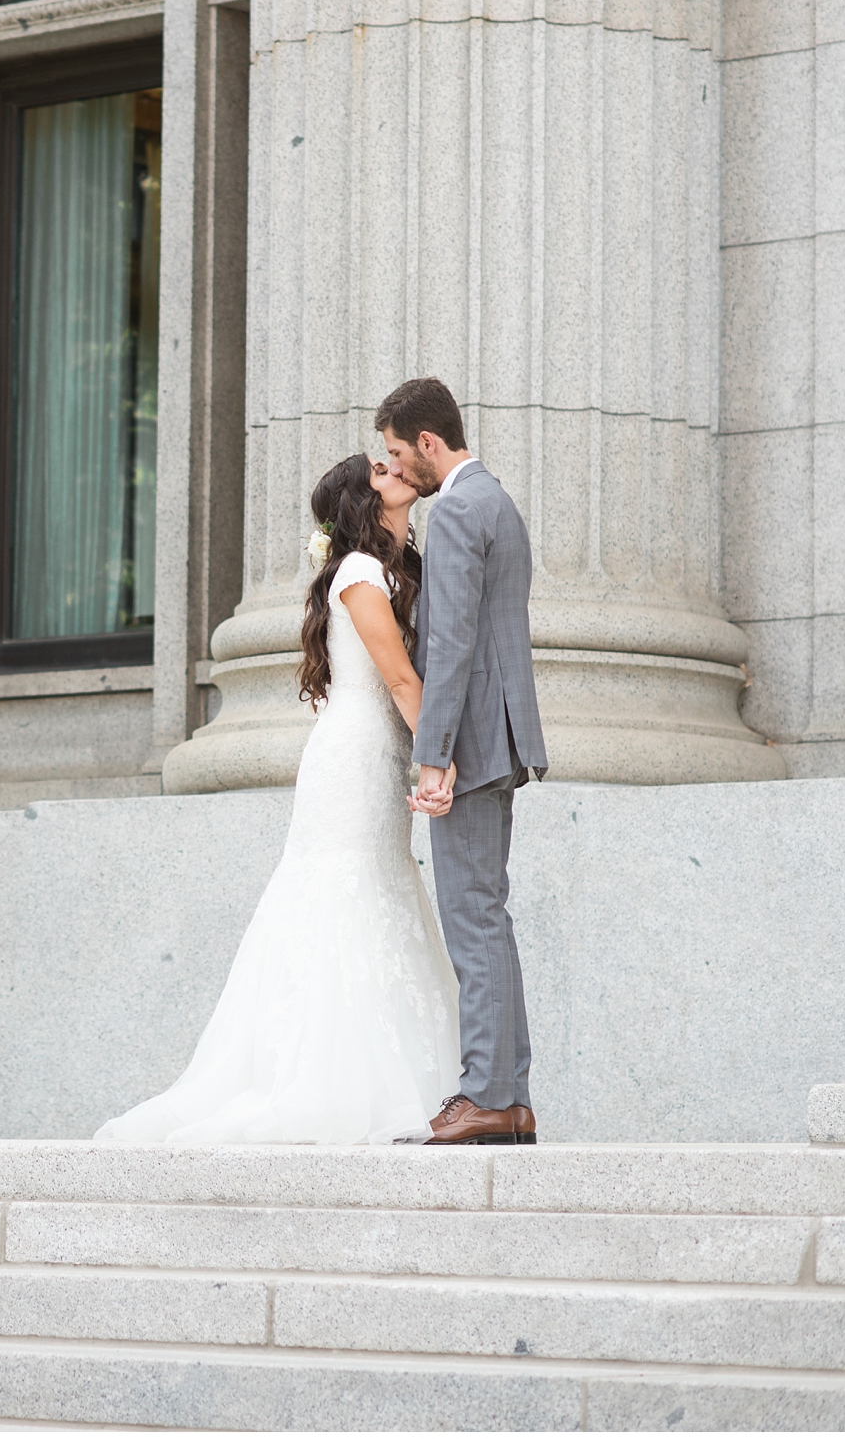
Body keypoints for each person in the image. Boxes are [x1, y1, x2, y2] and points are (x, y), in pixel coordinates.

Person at [95, 452, 460, 1145]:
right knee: (344, 892)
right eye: (379, 471)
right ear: (362, 500)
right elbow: (402, 680)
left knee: (381, 889)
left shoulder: (391, 569)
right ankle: (329, 1081)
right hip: (354, 755)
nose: (395, 471)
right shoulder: (358, 574)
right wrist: (437, 761)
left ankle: (404, 1078)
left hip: (372, 749)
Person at [377, 376, 546, 1146]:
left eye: (397, 453)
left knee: (471, 919)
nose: (398, 468)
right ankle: (507, 1098)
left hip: (470, 743)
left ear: (429, 443)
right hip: (505, 735)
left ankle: (485, 1094)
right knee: (490, 916)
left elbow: (448, 646)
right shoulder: (499, 503)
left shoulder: (451, 514)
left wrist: (431, 756)